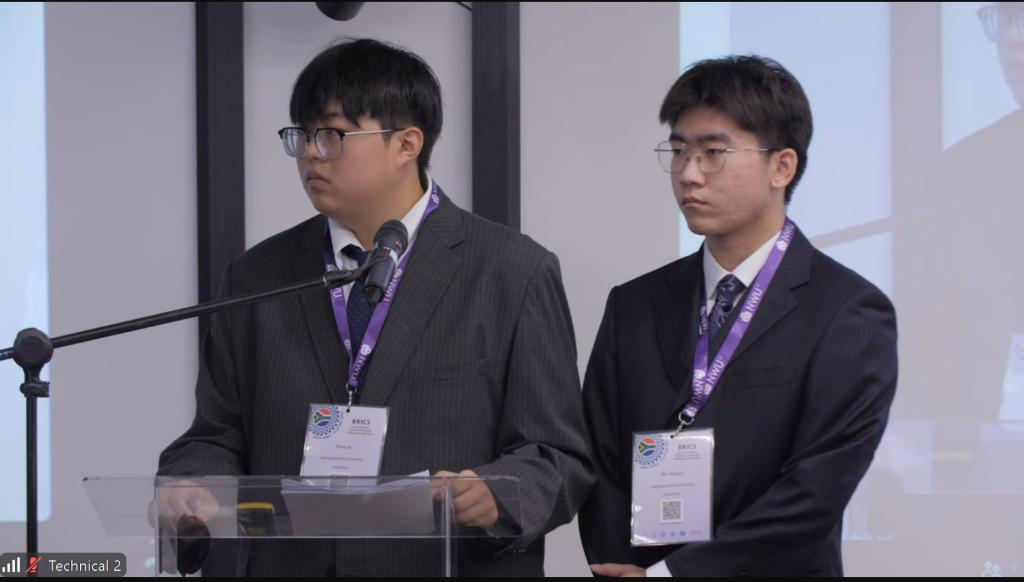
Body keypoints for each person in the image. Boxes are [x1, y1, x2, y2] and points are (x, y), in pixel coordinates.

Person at [158, 38, 594, 577]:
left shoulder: (512, 271)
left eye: (332, 135)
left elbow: (558, 456)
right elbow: (215, 435)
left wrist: (498, 494)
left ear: (406, 143)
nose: (310, 153)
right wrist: (192, 483)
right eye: (301, 135)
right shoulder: (258, 276)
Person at [579, 55, 897, 577]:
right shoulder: (633, 305)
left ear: (782, 167)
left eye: (713, 153)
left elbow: (814, 492)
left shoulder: (848, 311)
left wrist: (672, 576)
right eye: (678, 152)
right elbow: (600, 461)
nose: (688, 174)